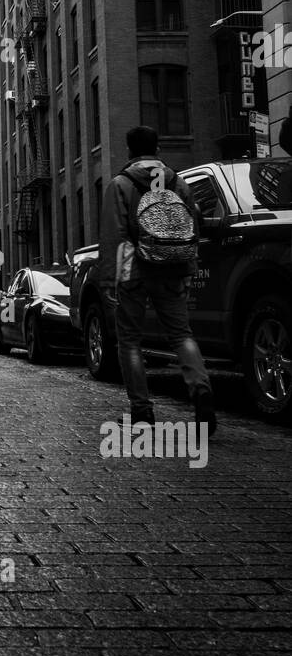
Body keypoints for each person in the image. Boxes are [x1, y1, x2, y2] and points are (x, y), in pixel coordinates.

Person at [99, 124, 215, 433]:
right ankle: (200, 388)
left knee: (130, 341)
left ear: (129, 151)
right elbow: (193, 227)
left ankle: (142, 409)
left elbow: (117, 237)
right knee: (181, 334)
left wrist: (112, 280)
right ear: (158, 150)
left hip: (135, 271)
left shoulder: (121, 184)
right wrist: (189, 268)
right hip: (173, 268)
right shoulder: (177, 182)